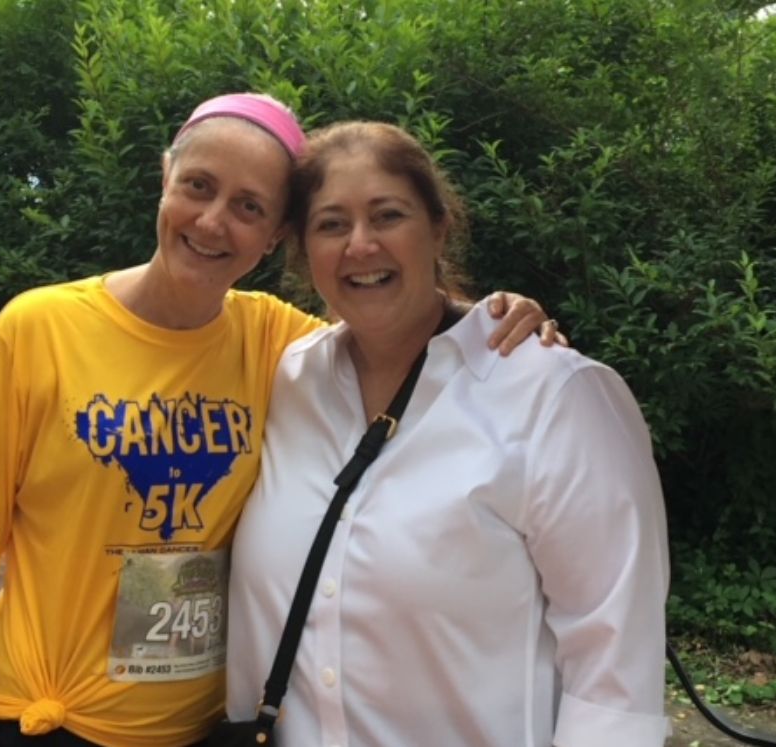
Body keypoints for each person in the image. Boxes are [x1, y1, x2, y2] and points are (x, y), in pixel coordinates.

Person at [0, 94, 558, 747]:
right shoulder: (35, 331)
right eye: (198, 186)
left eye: (249, 207)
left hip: (205, 731)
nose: (213, 221)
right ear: (165, 175)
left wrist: (490, 320)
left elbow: (394, 327)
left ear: (276, 234)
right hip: (43, 721)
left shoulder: (278, 343)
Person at [225, 120, 671, 747]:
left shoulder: (553, 396)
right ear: (301, 246)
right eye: (331, 224)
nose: (361, 245)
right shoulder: (283, 380)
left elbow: (615, 666)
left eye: (388, 216)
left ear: (437, 227)